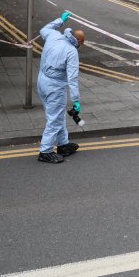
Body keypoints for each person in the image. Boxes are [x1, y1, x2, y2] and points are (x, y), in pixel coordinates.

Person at [36, 11, 85, 164]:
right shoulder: (71, 52)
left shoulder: (54, 36)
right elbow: (72, 79)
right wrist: (76, 101)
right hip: (55, 87)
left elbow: (43, 30)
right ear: (80, 42)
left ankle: (63, 145)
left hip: (42, 81)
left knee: (57, 115)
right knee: (55, 119)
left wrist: (60, 20)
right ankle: (45, 151)